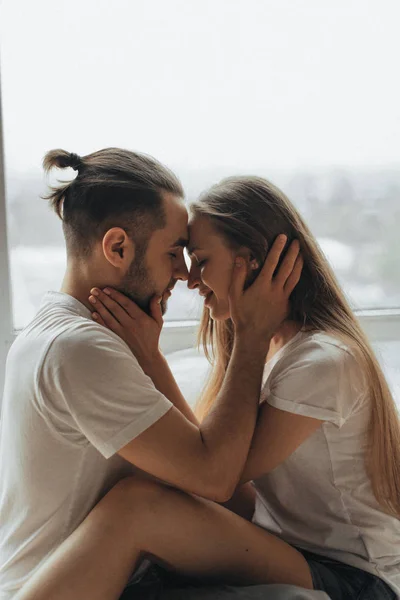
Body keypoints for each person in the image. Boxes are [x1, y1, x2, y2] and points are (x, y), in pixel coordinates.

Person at [14, 175, 400, 600]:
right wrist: (153, 359)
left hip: (353, 575)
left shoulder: (323, 362)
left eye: (199, 259)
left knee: (137, 506)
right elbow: (227, 488)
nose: (189, 279)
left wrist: (164, 359)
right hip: (287, 550)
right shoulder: (270, 355)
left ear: (251, 262)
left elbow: (217, 481)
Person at [0, 149, 303, 600]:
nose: (183, 274)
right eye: (174, 252)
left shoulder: (56, 330)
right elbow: (217, 481)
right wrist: (252, 335)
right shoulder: (80, 349)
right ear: (117, 247)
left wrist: (150, 360)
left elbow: (212, 481)